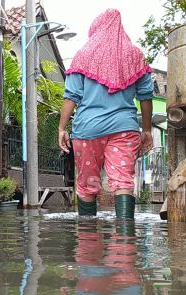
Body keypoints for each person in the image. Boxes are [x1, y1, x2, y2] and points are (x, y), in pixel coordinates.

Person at [58, 9, 153, 220]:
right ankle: (126, 245)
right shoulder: (135, 56)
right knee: (123, 182)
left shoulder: (83, 55)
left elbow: (71, 96)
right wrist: (146, 129)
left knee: (87, 183)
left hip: (88, 131)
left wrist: (62, 128)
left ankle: (88, 244)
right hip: (125, 129)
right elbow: (146, 96)